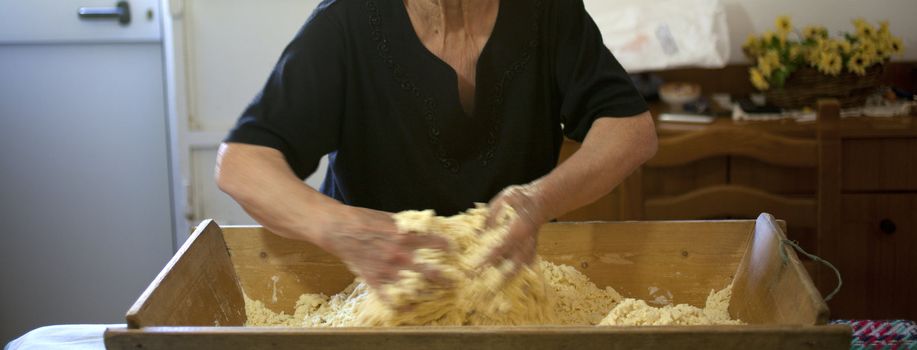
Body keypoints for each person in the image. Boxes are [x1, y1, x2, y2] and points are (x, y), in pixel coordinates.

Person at [216, 0, 657, 299]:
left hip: (507, 285)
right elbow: (243, 163)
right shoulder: (346, 21)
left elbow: (630, 129)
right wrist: (346, 229)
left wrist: (538, 200)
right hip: (373, 290)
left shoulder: (547, 10)